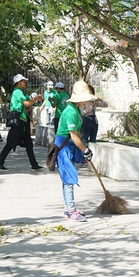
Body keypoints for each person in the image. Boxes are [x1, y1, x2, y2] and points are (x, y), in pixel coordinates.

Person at [55, 81, 96, 221]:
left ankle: (68, 208)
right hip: (64, 148)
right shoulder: (71, 112)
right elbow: (73, 135)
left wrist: (83, 148)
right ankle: (71, 210)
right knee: (69, 178)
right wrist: (85, 150)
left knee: (67, 179)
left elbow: (77, 133)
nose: (87, 101)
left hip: (71, 146)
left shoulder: (76, 110)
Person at [0, 74, 44, 171]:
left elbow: (27, 101)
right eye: (24, 81)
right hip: (18, 121)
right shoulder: (18, 92)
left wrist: (33, 99)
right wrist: (35, 99)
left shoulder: (20, 93)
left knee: (29, 143)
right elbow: (27, 103)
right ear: (19, 82)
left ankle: (34, 164)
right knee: (11, 142)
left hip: (22, 121)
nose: (25, 83)